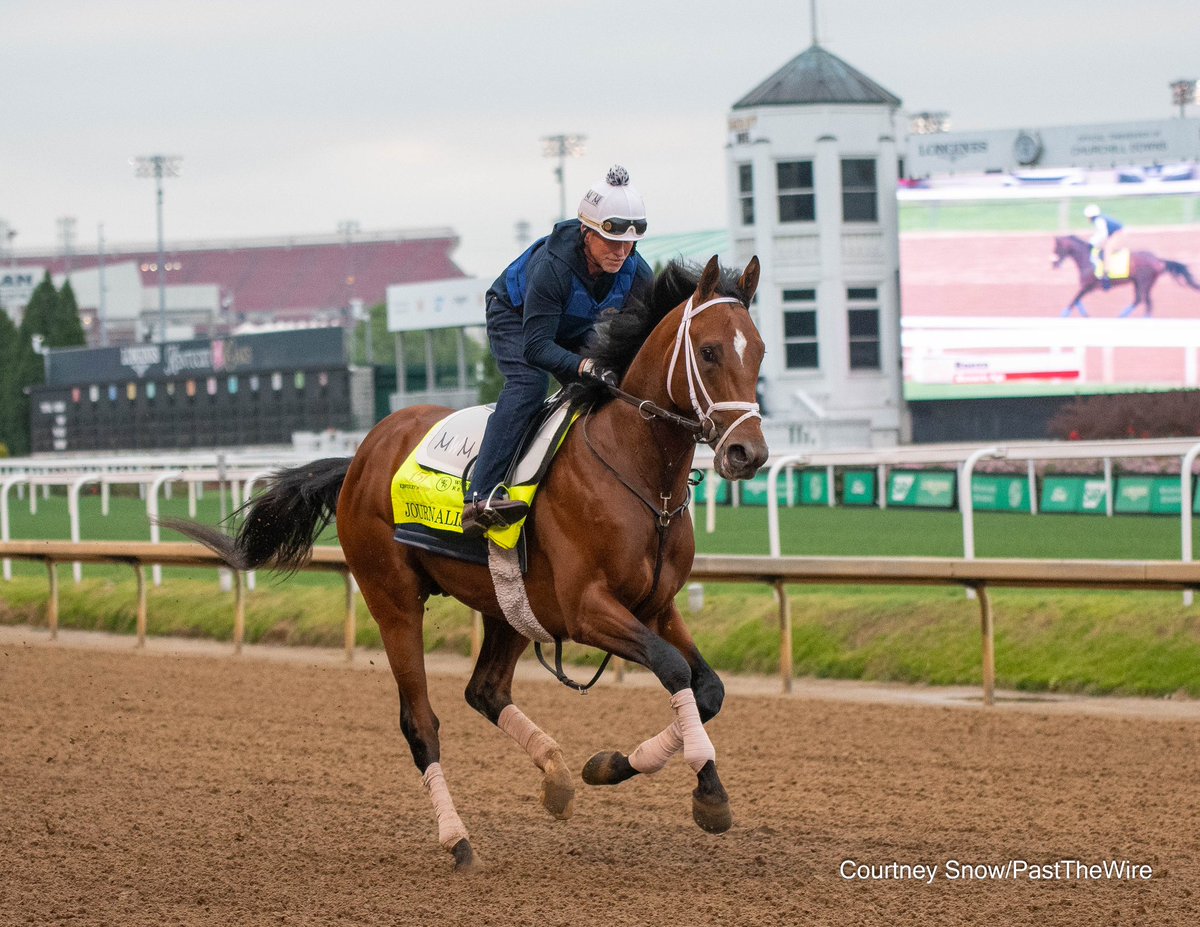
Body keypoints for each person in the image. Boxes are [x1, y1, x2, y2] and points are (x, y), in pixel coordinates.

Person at [460, 165, 654, 538]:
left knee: (610, 389)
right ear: (586, 232)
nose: (621, 252)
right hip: (516, 319)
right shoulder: (553, 268)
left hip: (569, 326)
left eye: (629, 243)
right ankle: (480, 497)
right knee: (528, 385)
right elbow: (536, 347)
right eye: (611, 242)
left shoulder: (636, 271)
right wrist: (585, 364)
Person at [1084, 203, 1127, 289]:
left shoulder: (1098, 221)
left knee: (1107, 249)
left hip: (1117, 233)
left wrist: (1092, 242)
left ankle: (1106, 275)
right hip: (1113, 234)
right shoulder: (1098, 219)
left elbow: (1102, 234)